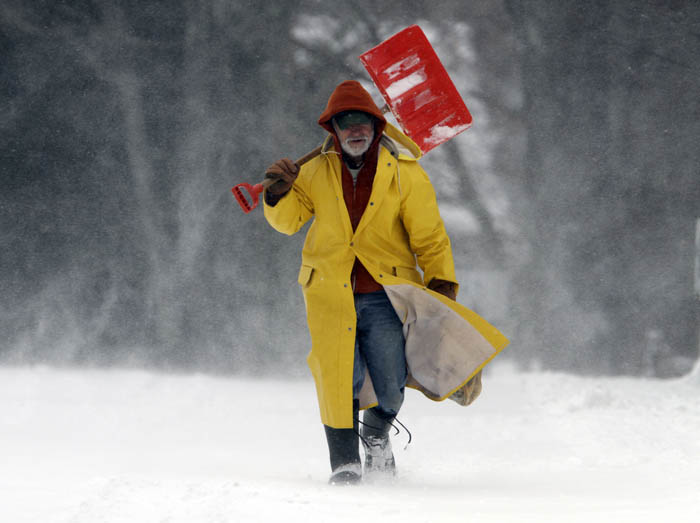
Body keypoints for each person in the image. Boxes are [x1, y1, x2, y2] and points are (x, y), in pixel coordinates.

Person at [263, 80, 507, 485]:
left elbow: (429, 237)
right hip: (328, 293)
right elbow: (287, 223)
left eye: (364, 123)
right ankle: (344, 464)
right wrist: (277, 194)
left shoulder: (405, 173)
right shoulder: (313, 173)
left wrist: (442, 283)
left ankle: (376, 432)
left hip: (385, 295)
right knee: (340, 377)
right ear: (334, 130)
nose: (356, 131)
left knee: (391, 383)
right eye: (347, 124)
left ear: (377, 127)